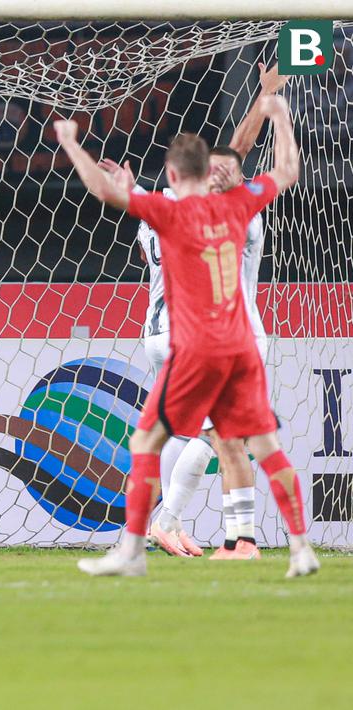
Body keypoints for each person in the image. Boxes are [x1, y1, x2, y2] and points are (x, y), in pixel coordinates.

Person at [55, 94, 319, 578]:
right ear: (211, 173)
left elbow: (103, 190)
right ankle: (301, 548)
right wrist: (278, 115)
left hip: (194, 347)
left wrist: (72, 143)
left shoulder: (168, 214)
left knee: (148, 442)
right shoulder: (241, 206)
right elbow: (286, 173)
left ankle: (135, 548)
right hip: (241, 345)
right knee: (262, 446)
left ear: (173, 177)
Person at [125, 63, 293, 559]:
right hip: (211, 333)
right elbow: (237, 155)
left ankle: (173, 523)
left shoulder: (158, 208)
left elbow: (232, 159)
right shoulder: (220, 209)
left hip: (159, 329)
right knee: (217, 435)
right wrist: (265, 103)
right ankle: (176, 523)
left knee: (193, 432)